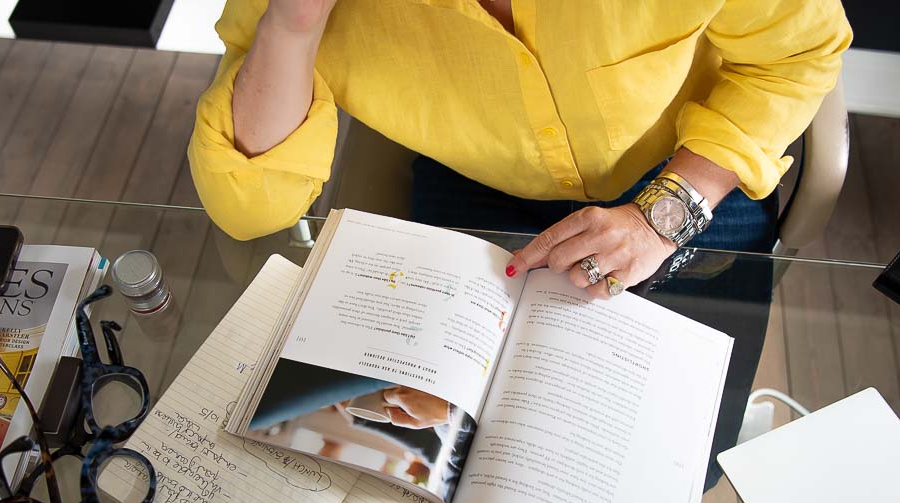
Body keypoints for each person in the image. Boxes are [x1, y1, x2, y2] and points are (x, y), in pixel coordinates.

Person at [190, 0, 851, 296]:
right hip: (479, 182)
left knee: (684, 455)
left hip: (689, 168)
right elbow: (251, 204)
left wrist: (664, 213)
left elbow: (796, 53)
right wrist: (294, 21)